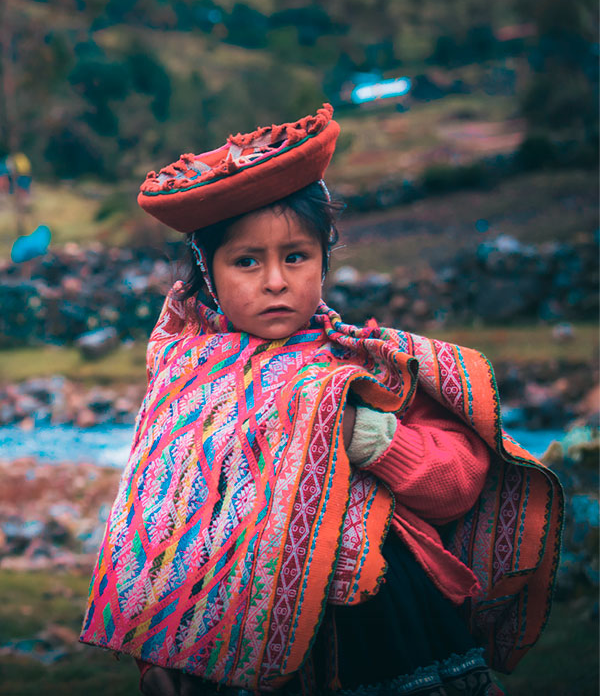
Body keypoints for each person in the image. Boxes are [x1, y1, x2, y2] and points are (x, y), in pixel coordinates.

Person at [80, 105, 563, 696]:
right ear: (209, 275)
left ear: (325, 260)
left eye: (296, 256)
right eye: (247, 261)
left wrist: (373, 437)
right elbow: (162, 533)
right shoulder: (188, 390)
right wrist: (155, 660)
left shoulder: (369, 370)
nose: (276, 281)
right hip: (241, 652)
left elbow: (459, 485)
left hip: (394, 628)